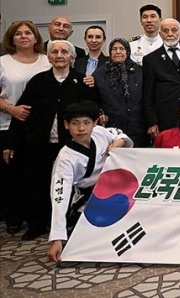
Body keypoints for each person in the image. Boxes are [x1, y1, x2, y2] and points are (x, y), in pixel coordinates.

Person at [4, 40, 96, 240]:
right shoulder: (38, 81)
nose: (59, 55)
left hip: (72, 145)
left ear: (72, 57)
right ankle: (37, 225)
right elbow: (22, 112)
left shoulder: (82, 81)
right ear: (49, 57)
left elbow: (93, 113)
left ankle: (68, 224)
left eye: (64, 52)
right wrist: (11, 143)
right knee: (36, 183)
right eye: (54, 52)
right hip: (39, 142)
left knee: (69, 184)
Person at [47, 100, 132, 263]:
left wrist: (118, 143)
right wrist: (56, 237)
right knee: (84, 242)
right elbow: (59, 198)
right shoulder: (65, 158)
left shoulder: (100, 133)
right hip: (86, 200)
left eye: (86, 123)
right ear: (66, 125)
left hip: (112, 193)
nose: (81, 128)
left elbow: (120, 135)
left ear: (95, 122)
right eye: (75, 123)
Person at [0, 21, 51, 235]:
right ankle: (13, 217)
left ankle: (39, 217)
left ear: (35, 37)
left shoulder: (46, 60)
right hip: (8, 124)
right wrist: (11, 109)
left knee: (37, 173)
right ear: (11, 39)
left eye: (28, 33)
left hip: (40, 127)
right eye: (18, 34)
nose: (23, 36)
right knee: (11, 173)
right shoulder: (3, 62)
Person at [93, 38, 147, 146]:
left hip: (137, 128)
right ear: (110, 52)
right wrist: (100, 113)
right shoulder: (100, 73)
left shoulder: (140, 71)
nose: (118, 52)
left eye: (122, 49)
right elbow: (94, 99)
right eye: (114, 49)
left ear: (128, 51)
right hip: (111, 129)